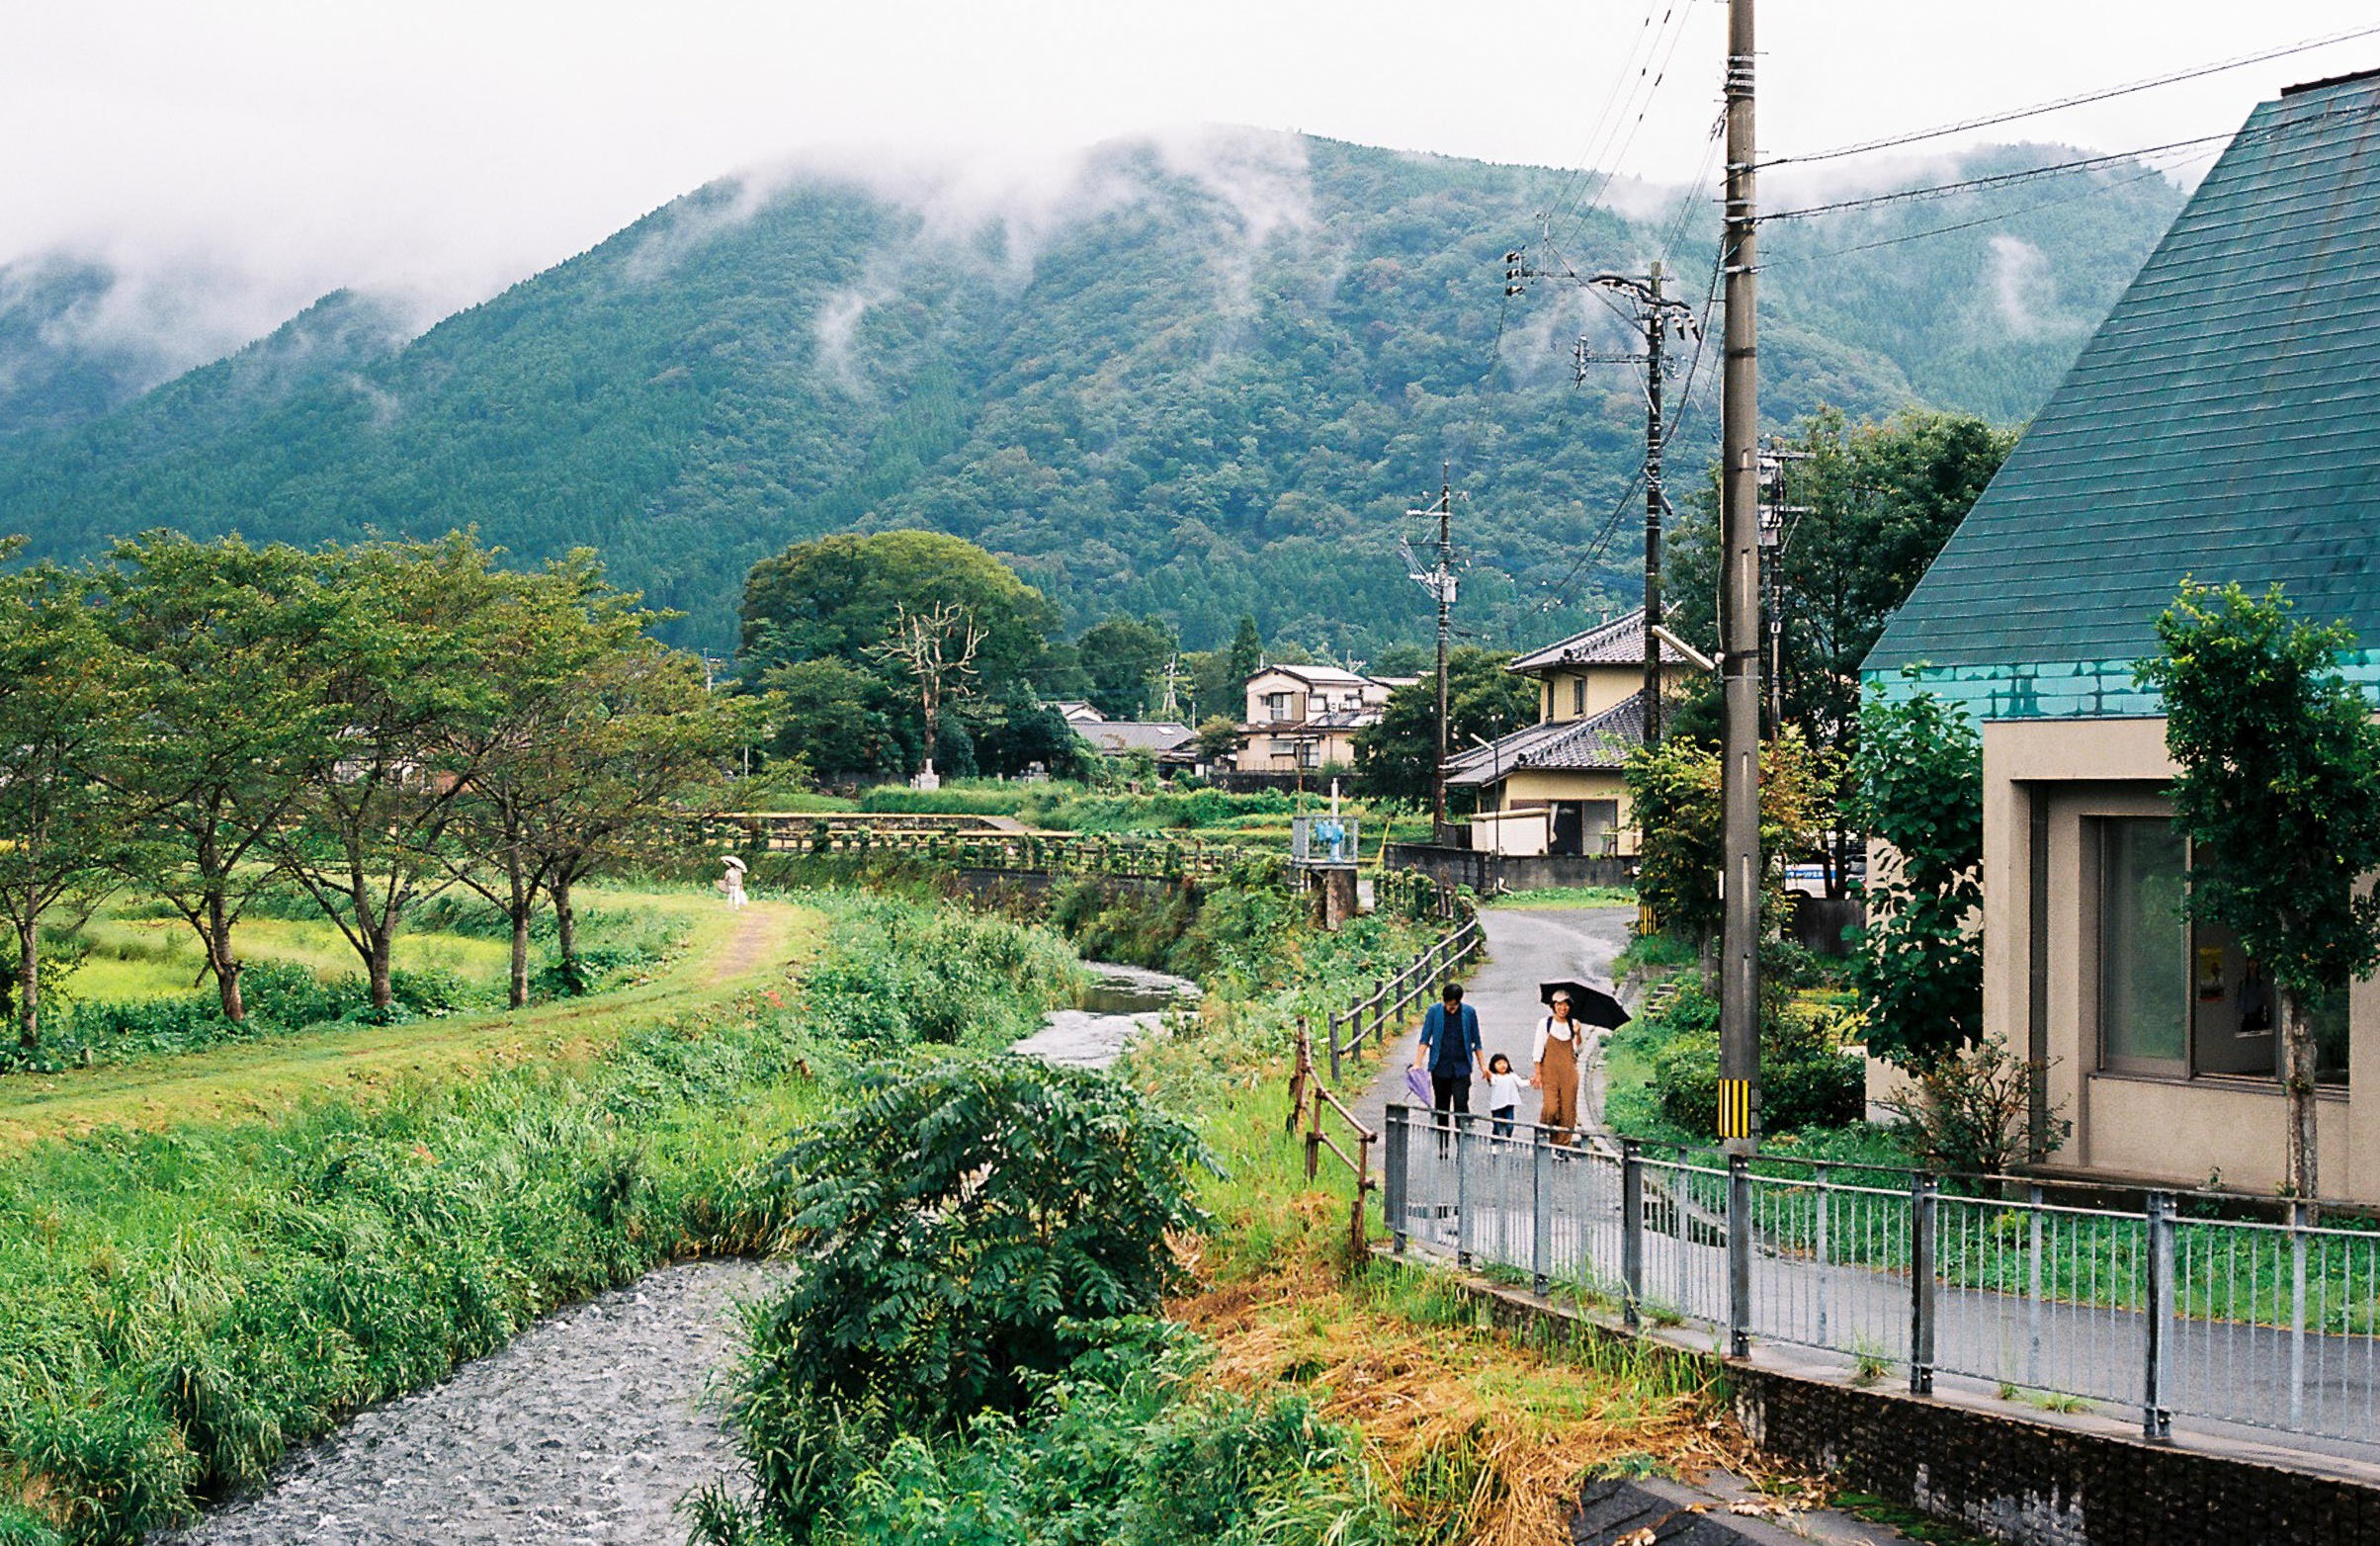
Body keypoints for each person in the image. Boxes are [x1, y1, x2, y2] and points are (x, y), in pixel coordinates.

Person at [1411, 982, 1485, 1152]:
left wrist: (1483, 1066)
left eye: (1454, 1005)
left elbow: (1477, 1042)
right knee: (1442, 1107)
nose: (1451, 1009)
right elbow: (1425, 1039)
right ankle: (1442, 1146)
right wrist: (1417, 1063)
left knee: (1461, 1105)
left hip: (1461, 1068)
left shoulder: (1469, 1013)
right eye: (1449, 1005)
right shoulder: (1434, 1012)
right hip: (1440, 1067)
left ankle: (1462, 1147)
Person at [1532, 989, 1583, 1147]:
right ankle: (1544, 1134)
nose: (1563, 1008)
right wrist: (1538, 1073)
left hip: (1569, 1073)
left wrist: (1578, 1034)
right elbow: (1538, 1049)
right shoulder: (1545, 1024)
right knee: (1551, 1109)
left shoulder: (1573, 1024)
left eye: (1566, 1004)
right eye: (1559, 1004)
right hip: (1550, 1073)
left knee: (1568, 1110)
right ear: (1553, 1006)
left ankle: (1563, 1145)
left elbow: (1578, 1050)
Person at [1486, 1053, 1523, 1140]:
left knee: (1510, 1125)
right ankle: (1494, 1141)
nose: (1503, 1065)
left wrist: (1531, 1081)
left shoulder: (1511, 1075)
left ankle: (1508, 1138)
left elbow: (1521, 1083)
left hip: (1509, 1104)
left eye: (1505, 1063)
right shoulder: (1495, 1077)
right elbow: (1492, 1081)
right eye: (1499, 1064)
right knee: (1497, 1126)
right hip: (1497, 1106)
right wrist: (1487, 1073)